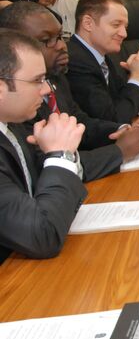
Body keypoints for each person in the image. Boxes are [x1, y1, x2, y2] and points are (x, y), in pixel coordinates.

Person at [0, 1, 139, 152]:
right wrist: (119, 152)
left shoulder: (55, 76)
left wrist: (121, 130)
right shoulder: (15, 100)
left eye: (61, 36)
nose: (61, 45)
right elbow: (43, 160)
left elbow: (78, 121)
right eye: (46, 40)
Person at [0, 30, 86, 263]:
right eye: (37, 80)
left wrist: (60, 156)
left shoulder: (12, 125)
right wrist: (60, 155)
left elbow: (54, 191)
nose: (47, 89)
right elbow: (43, 236)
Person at [67, 0, 139, 123]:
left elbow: (126, 100)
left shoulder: (103, 55)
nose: (124, 34)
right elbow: (113, 119)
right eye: (116, 25)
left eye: (125, 27)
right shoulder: (75, 61)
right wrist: (138, 78)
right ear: (88, 23)